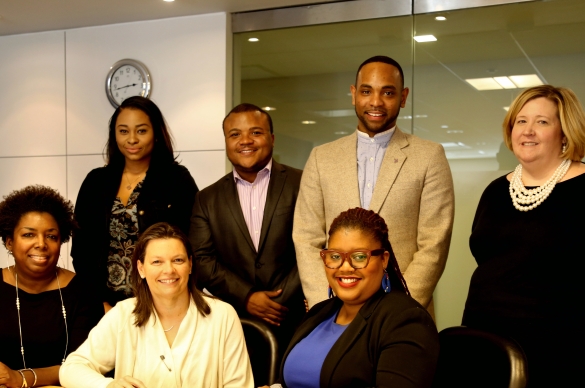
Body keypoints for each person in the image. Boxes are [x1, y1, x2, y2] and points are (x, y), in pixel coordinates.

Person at [293, 55, 455, 313]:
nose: (376, 102)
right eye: (367, 91)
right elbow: (306, 238)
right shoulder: (321, 157)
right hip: (333, 313)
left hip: (403, 313)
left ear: (403, 97)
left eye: (387, 92)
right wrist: (325, 304)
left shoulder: (429, 156)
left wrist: (398, 308)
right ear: (354, 94)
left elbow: (434, 243)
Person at [462, 85, 585, 387]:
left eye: (542, 122)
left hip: (557, 352)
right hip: (484, 342)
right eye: (521, 121)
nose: (528, 131)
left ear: (564, 132)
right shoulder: (495, 191)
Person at [60, 222, 253, 388]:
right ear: (141, 268)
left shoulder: (222, 315)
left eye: (178, 260)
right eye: (157, 262)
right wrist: (108, 385)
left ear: (190, 265)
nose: (168, 270)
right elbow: (71, 368)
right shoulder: (123, 314)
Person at [190, 103, 305, 379]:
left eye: (256, 132)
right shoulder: (207, 199)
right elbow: (203, 261)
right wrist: (247, 296)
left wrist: (279, 300)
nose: (245, 141)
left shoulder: (303, 183)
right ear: (226, 142)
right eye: (234, 134)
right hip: (234, 324)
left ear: (272, 138)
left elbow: (317, 247)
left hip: (298, 321)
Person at [263, 208, 439, 388]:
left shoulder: (406, 321)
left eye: (359, 256)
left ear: (384, 259)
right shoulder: (319, 313)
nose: (345, 267)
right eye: (335, 256)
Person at [72, 96, 198, 312]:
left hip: (162, 302)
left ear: (156, 133)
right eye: (123, 131)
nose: (132, 139)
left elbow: (191, 245)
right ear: (114, 135)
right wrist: (99, 303)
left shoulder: (177, 179)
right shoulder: (95, 182)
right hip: (105, 305)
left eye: (141, 131)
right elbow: (82, 250)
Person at [0, 185, 103, 388]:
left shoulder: (83, 292)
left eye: (51, 236)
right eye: (29, 235)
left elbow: (84, 366)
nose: (41, 244)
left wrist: (18, 379)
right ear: (9, 242)